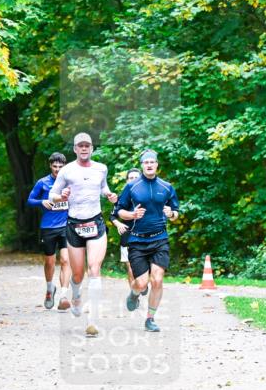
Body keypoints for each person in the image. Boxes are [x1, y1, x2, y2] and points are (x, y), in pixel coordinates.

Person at [50, 132, 119, 337]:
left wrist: (109, 194)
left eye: (87, 145)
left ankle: (93, 320)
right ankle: (76, 294)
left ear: (92, 148)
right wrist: (60, 196)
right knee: (78, 274)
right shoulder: (67, 171)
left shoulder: (101, 168)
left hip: (95, 222)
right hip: (74, 225)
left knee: (94, 268)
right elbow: (52, 195)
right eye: (80, 145)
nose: (84, 148)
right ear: (74, 149)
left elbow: (103, 187)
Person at [116, 149, 180, 332]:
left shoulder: (166, 187)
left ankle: (150, 319)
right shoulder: (132, 186)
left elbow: (176, 212)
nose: (149, 165)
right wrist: (132, 215)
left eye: (152, 162)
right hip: (137, 241)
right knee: (142, 283)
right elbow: (119, 211)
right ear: (142, 165)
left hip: (160, 239)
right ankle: (134, 293)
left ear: (157, 164)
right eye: (146, 162)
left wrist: (171, 214)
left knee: (157, 280)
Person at [27, 152, 72, 310]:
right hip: (48, 227)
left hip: (66, 226)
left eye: (60, 166)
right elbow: (30, 200)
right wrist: (42, 202)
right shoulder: (43, 182)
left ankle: (64, 296)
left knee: (66, 260)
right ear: (50, 166)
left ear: (65, 166)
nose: (57, 169)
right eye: (55, 166)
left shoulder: (70, 182)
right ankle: (49, 288)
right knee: (49, 261)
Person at [110, 168, 147, 295]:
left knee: (146, 266)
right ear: (127, 181)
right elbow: (112, 216)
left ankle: (142, 283)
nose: (133, 180)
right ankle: (134, 295)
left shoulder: (148, 196)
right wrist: (119, 224)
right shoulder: (122, 198)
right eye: (131, 178)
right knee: (131, 268)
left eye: (136, 178)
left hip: (146, 237)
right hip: (128, 236)